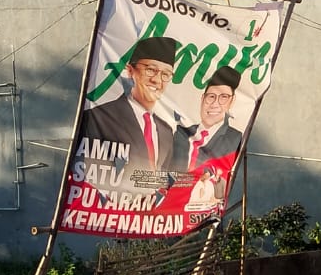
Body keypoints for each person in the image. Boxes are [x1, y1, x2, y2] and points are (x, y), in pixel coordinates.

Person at [79, 36, 179, 173]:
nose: (156, 80)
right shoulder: (99, 117)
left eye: (166, 74)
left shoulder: (166, 132)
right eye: (150, 70)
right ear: (130, 71)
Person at [173, 65, 244, 173]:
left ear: (232, 101)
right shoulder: (181, 134)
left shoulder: (234, 139)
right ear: (202, 98)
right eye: (211, 96)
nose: (215, 104)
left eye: (223, 97)